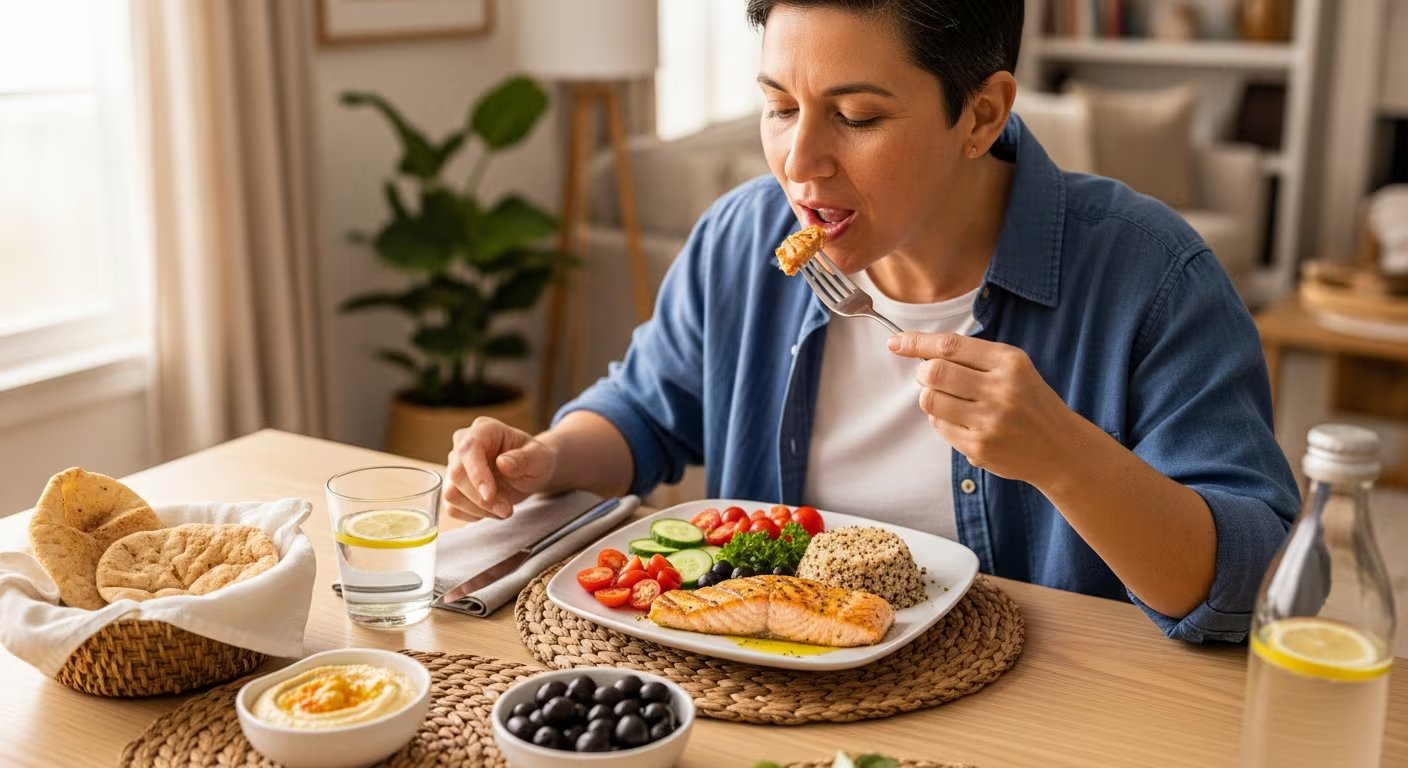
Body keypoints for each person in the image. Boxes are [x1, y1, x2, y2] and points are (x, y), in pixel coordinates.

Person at [444, 0, 1299, 643]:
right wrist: (547, 457)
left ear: (983, 114)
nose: (799, 163)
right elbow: (648, 411)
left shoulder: (1152, 276)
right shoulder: (745, 240)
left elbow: (1251, 581)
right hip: (776, 692)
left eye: (856, 118)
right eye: (780, 106)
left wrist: (1065, 457)